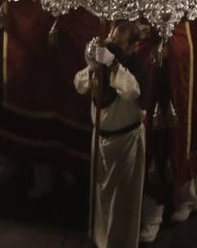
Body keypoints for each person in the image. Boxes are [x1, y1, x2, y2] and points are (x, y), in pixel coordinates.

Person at [73, 20, 159, 247]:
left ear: (132, 47)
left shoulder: (136, 66)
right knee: (101, 197)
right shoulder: (104, 60)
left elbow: (133, 92)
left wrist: (113, 66)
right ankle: (101, 241)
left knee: (120, 201)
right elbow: (80, 85)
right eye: (111, 40)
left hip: (125, 140)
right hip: (100, 137)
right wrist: (91, 64)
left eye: (119, 44)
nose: (113, 47)